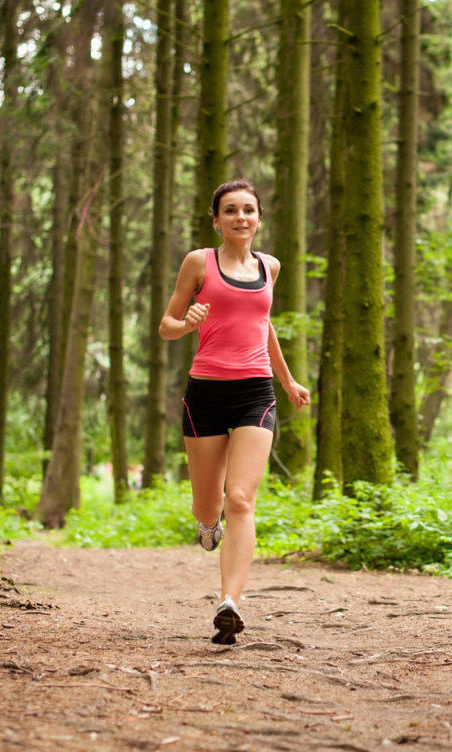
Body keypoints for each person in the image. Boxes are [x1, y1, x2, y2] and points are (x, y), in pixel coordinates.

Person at [159, 179, 310, 645]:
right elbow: (166, 326)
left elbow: (262, 326)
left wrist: (286, 381)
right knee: (209, 506)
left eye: (248, 210)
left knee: (241, 498)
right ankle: (208, 525)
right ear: (216, 220)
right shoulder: (198, 262)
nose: (240, 217)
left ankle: (230, 603)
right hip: (204, 392)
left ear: (259, 218)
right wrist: (186, 324)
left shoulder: (271, 267)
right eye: (230, 210)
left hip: (255, 393)